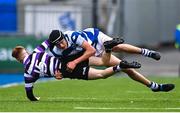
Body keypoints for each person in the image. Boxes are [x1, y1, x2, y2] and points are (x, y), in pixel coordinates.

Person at [36, 28, 174, 93]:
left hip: (94, 40)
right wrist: (58, 72)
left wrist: (75, 62)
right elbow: (58, 64)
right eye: (58, 44)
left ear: (64, 37)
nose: (61, 45)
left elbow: (90, 50)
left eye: (61, 42)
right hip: (88, 54)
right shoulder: (56, 50)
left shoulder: (71, 36)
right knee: (127, 69)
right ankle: (154, 86)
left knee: (117, 47)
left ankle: (146, 52)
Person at [12, 46, 141, 101]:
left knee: (101, 75)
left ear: (18, 60)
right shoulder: (36, 52)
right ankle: (107, 50)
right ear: (25, 51)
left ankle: (119, 67)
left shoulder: (27, 74)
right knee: (102, 61)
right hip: (70, 59)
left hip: (67, 70)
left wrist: (35, 99)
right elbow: (49, 41)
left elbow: (29, 94)